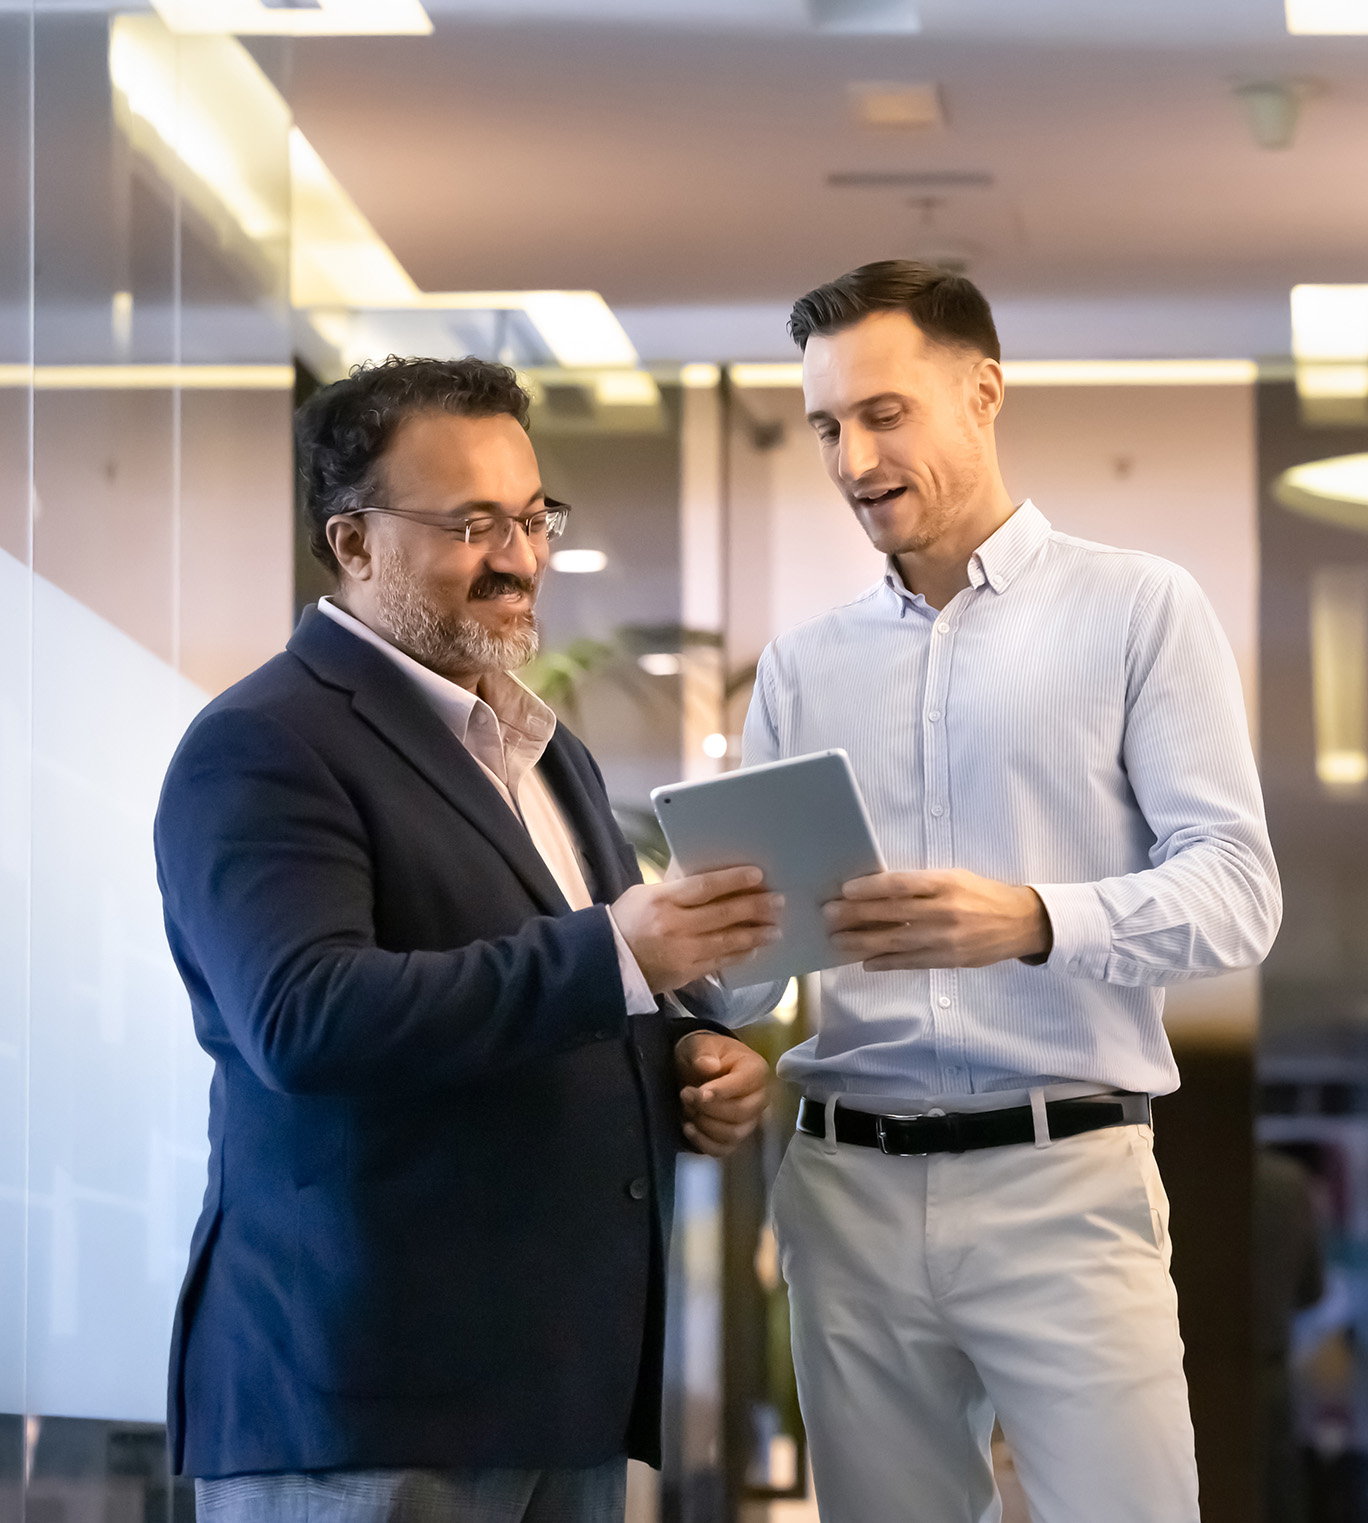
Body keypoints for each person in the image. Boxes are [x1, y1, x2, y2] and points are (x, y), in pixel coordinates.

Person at [154, 355, 780, 1523]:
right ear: (353, 544)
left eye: (535, 515)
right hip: (366, 1407)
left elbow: (556, 995)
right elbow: (309, 1018)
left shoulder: (550, 753)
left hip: (555, 1394)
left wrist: (690, 1059)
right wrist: (619, 955)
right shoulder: (265, 745)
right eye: (475, 523)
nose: (522, 556)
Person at [742, 261, 1282, 1523]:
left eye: (885, 413)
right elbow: (750, 964)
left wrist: (1033, 917)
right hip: (848, 1188)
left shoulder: (1140, 609)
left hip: (1066, 1179)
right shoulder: (803, 667)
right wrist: (707, 982)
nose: (852, 455)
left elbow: (1238, 888)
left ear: (982, 393)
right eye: (827, 425)